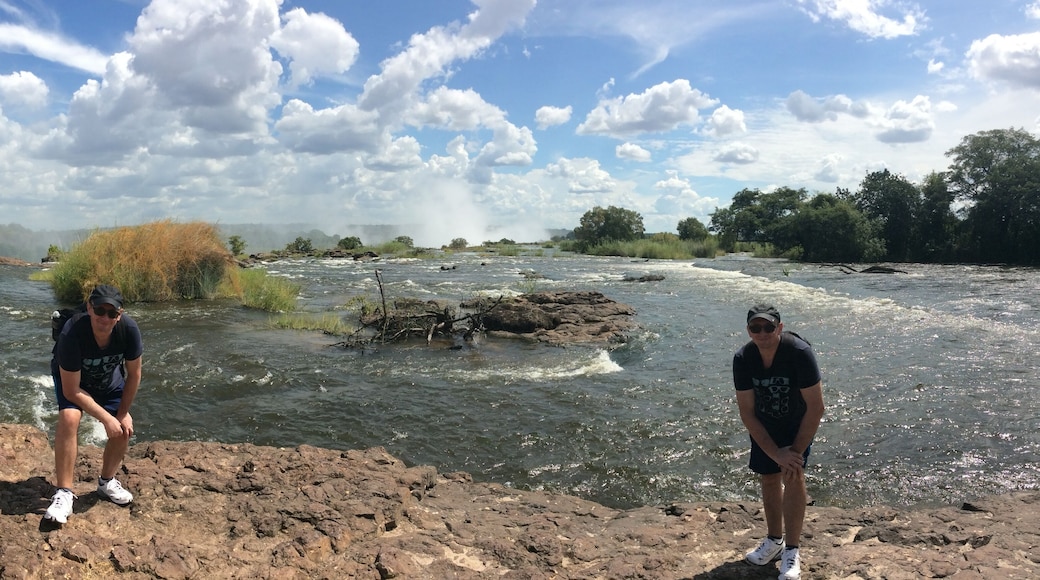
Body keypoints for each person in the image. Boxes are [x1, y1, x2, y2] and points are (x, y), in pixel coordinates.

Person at [733, 304, 824, 580]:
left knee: (793, 473)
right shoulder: (743, 358)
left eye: (768, 327)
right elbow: (747, 411)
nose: (762, 333)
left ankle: (792, 551)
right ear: (749, 331)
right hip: (765, 423)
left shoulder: (799, 353)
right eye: (755, 328)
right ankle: (774, 541)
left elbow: (816, 407)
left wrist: (792, 452)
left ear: (779, 328)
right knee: (769, 478)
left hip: (798, 422)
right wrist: (774, 453)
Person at [44, 284, 143, 524]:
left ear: (119, 315)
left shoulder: (128, 330)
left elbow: (135, 374)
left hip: (109, 380)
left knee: (123, 429)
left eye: (112, 313)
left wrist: (122, 413)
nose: (105, 318)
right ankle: (64, 493)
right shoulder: (72, 333)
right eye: (100, 310)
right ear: (90, 308)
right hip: (74, 381)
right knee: (69, 418)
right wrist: (107, 418)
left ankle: (106, 482)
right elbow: (71, 390)